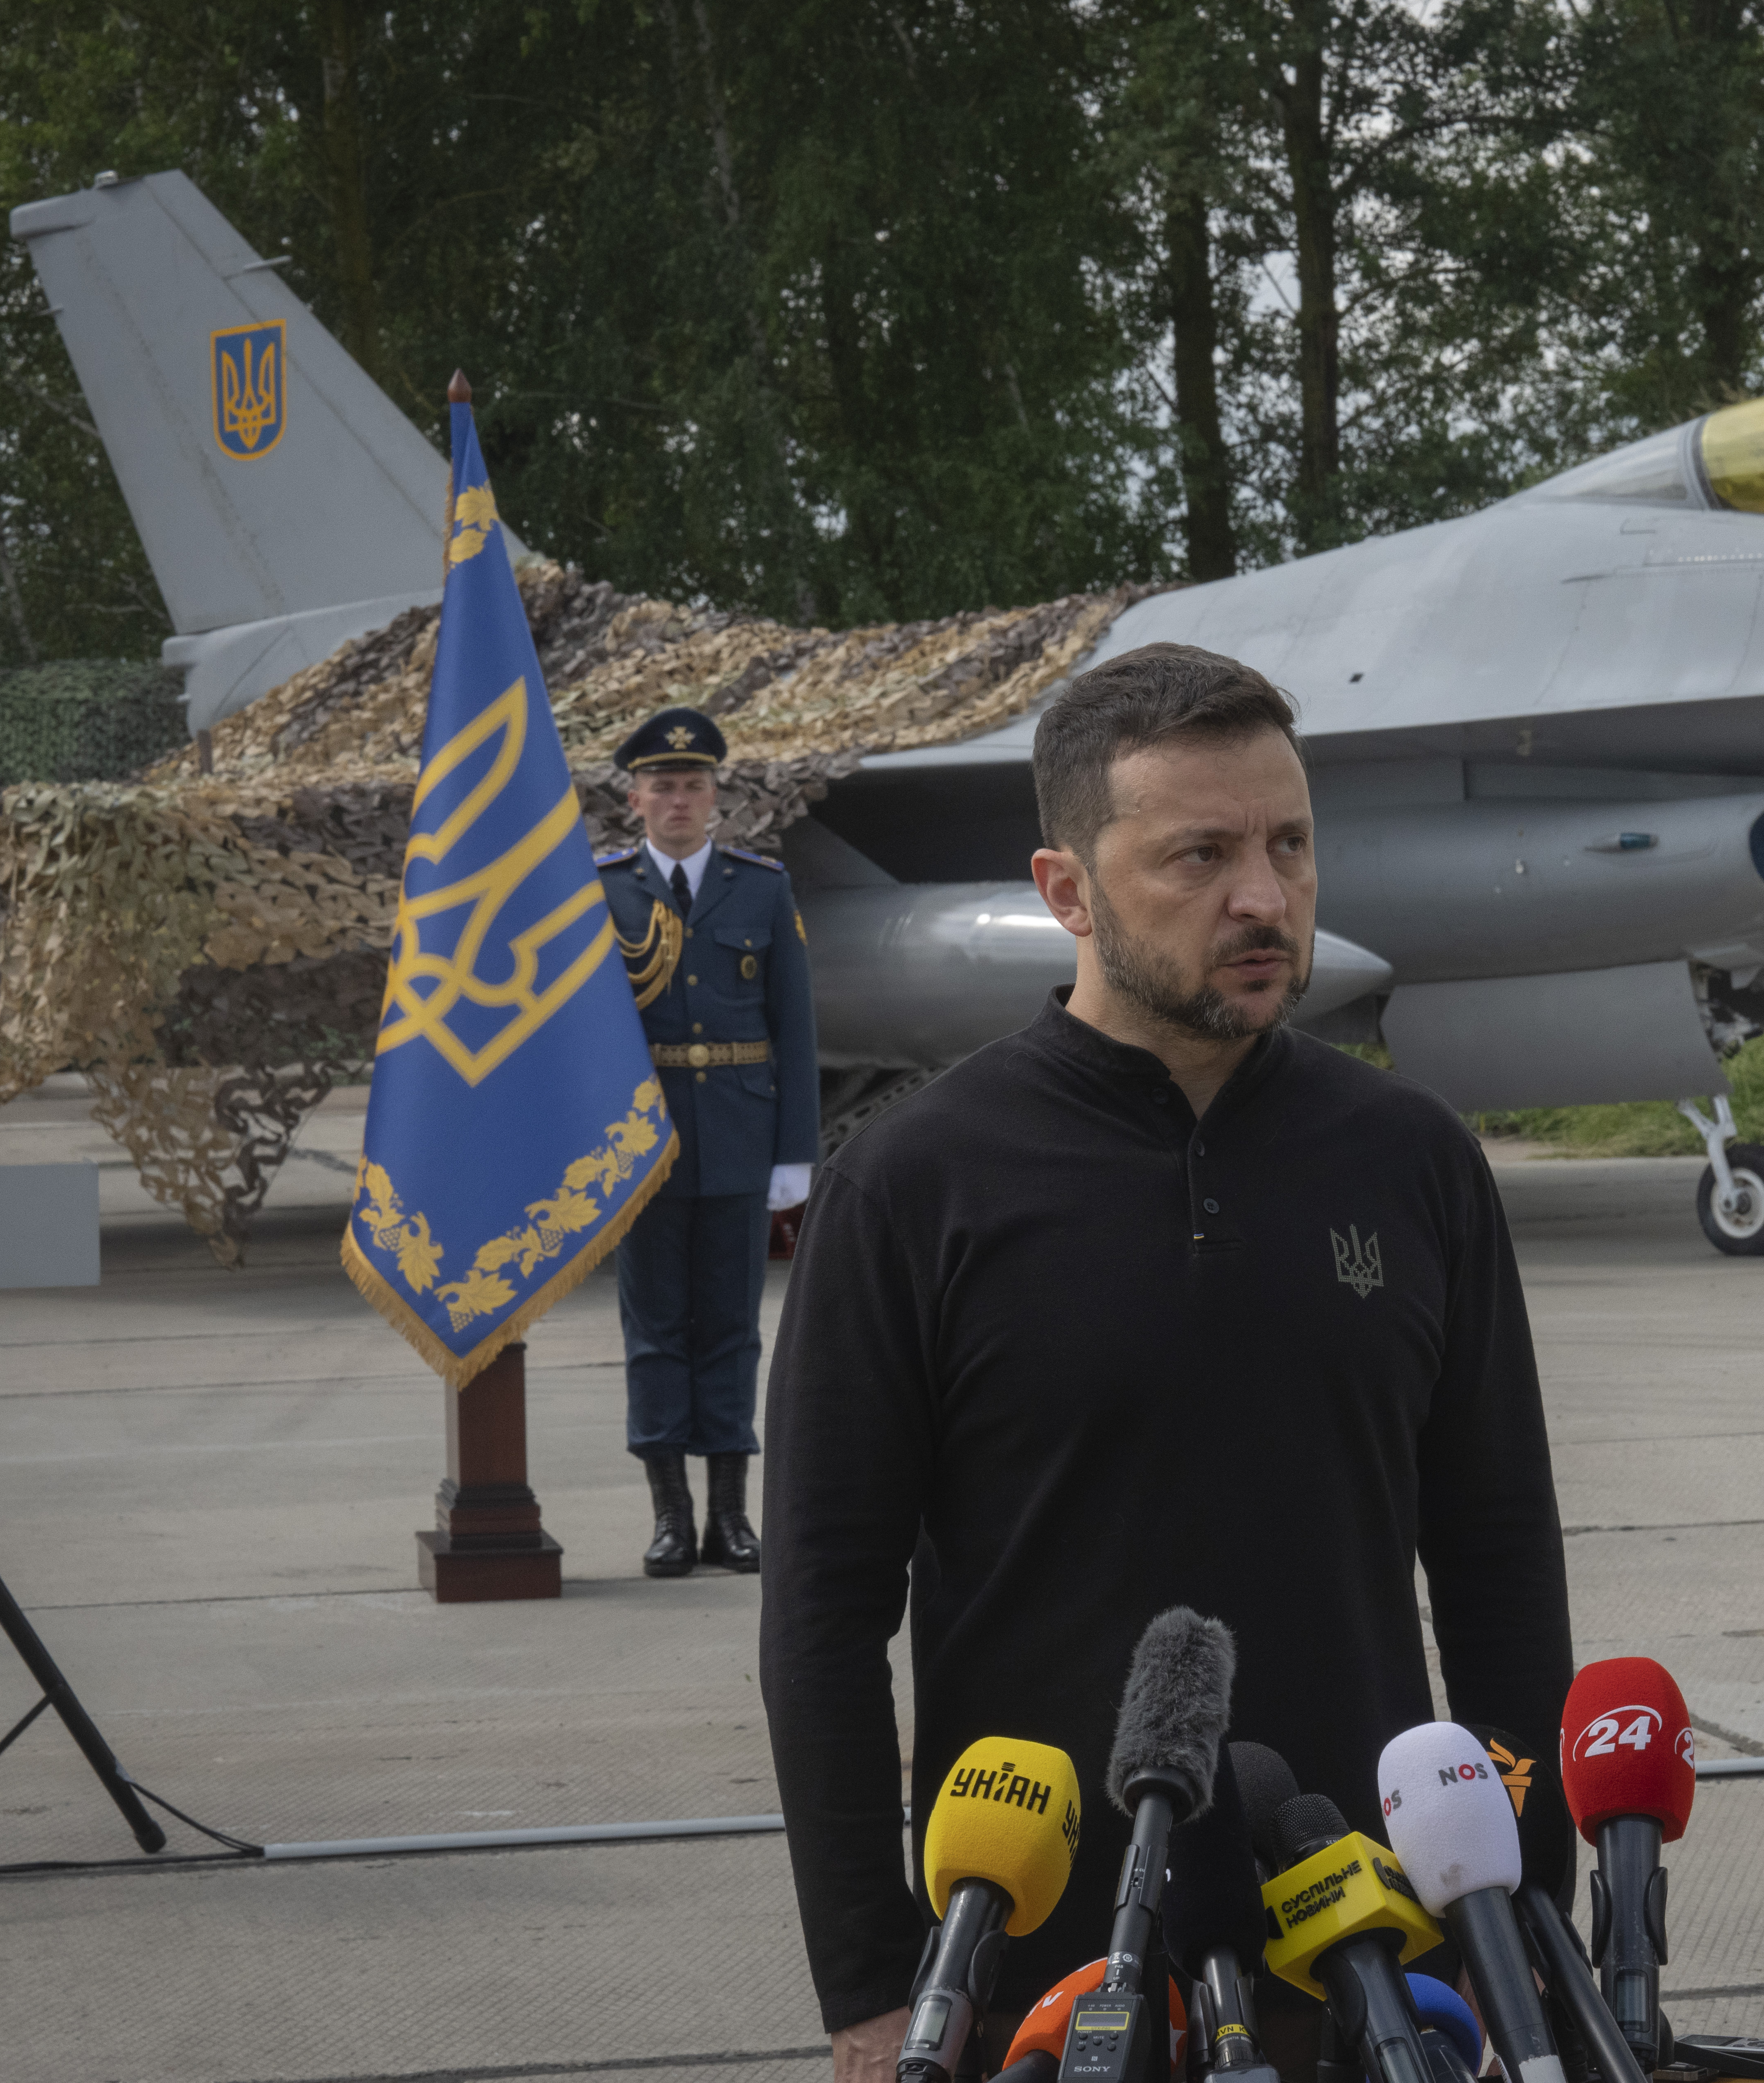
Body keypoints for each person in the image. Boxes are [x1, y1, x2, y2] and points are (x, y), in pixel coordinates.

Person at [758, 644, 1573, 2081]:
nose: (1263, 898)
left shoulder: (1411, 1163)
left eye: (1288, 846)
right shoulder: (912, 1187)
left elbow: (1500, 1560)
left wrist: (1526, 1930)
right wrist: (876, 1991)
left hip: (1377, 1965)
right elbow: (821, 1616)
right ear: (1065, 888)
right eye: (1199, 854)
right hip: (1040, 1982)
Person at [599, 706, 820, 1578]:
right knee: (654, 1328)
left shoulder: (761, 888)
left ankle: (730, 1517)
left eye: (692, 786)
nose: (678, 801)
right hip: (641, 1142)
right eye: (663, 787)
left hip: (738, 1131)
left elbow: (793, 1026)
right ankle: (668, 1516)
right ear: (636, 799)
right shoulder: (602, 891)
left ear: (714, 796)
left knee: (731, 1328)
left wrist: (794, 1153)